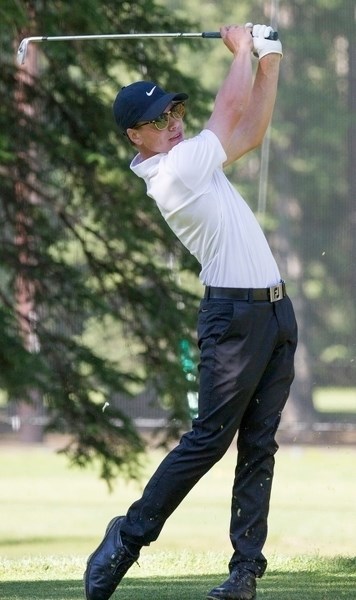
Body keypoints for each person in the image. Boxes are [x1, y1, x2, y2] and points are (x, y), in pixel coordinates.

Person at [84, 23, 298, 600]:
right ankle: (125, 540)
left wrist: (268, 62)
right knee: (208, 441)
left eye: (175, 113)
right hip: (233, 320)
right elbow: (230, 111)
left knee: (260, 444)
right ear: (136, 136)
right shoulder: (173, 173)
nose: (173, 124)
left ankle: (244, 574)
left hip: (276, 315)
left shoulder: (193, 159)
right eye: (158, 121)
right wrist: (242, 51)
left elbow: (248, 132)